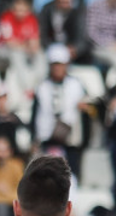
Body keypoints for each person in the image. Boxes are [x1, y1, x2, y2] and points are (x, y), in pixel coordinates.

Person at [33, 45, 86, 174]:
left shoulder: (76, 85)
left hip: (70, 139)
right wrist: (33, 138)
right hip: (47, 137)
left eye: (61, 64)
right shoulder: (42, 86)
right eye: (54, 65)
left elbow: (89, 109)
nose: (58, 68)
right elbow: (35, 113)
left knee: (71, 176)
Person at [0, 0, 45, 96]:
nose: (20, 13)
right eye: (17, 10)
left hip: (23, 50)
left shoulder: (32, 19)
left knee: (40, 54)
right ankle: (25, 88)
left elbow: (35, 42)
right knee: (17, 55)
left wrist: (32, 47)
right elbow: (9, 42)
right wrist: (26, 46)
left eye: (23, 10)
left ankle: (40, 84)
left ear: (28, 10)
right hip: (2, 51)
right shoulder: (6, 17)